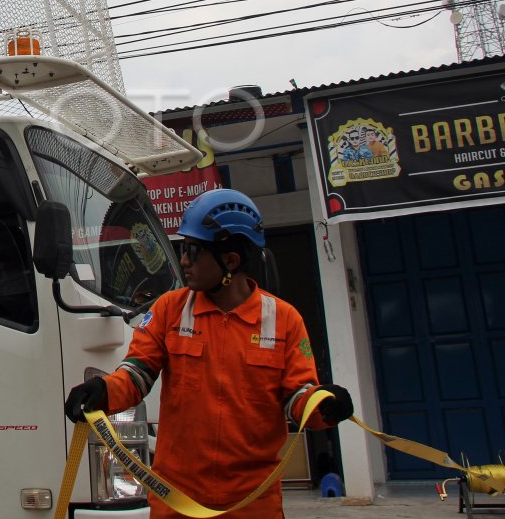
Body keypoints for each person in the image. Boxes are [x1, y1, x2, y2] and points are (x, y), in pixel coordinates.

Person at [64, 188, 354, 519]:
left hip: (252, 504)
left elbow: (298, 399)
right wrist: (103, 392)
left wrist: (323, 406)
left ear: (230, 261)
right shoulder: (170, 309)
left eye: (193, 251)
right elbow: (136, 375)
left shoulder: (284, 320)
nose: (183, 260)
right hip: (177, 500)